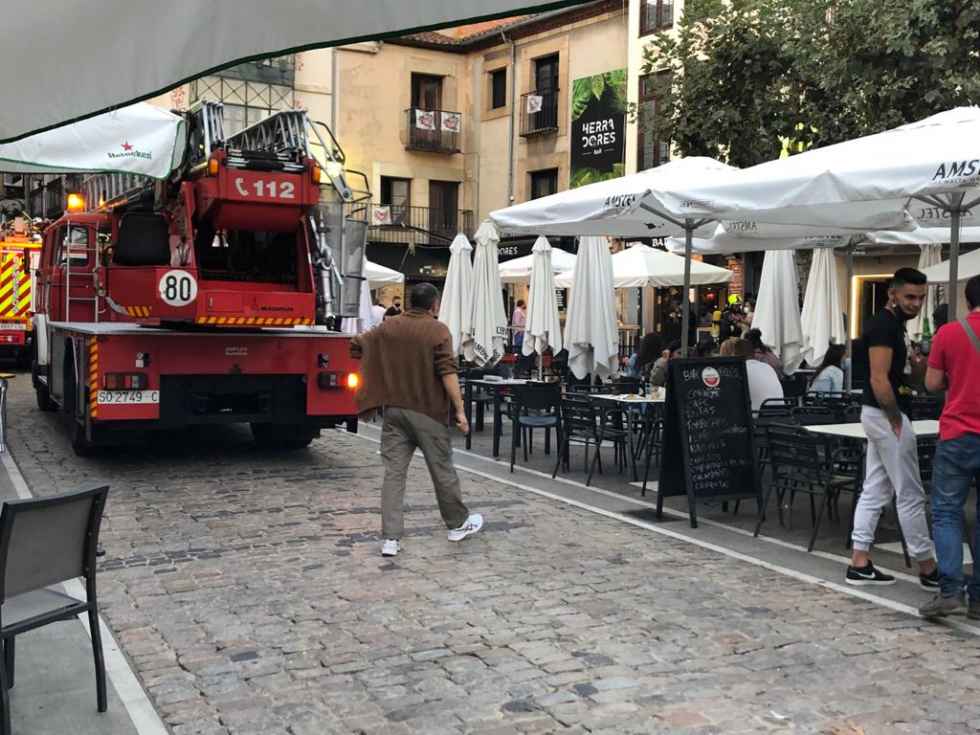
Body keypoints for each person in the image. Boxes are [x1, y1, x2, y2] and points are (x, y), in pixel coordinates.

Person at [350, 282, 483, 557]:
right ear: (434, 305)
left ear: (410, 302)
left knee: (393, 475)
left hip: (394, 412)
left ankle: (391, 539)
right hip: (428, 412)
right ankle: (456, 524)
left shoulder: (388, 327)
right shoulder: (438, 330)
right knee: (442, 471)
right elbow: (448, 372)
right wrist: (459, 410)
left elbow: (357, 344)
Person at [847, 268, 937, 587]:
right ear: (893, 294)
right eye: (910, 296)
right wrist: (896, 419)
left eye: (921, 297)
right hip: (886, 414)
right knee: (910, 492)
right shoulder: (885, 326)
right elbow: (878, 378)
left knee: (876, 488)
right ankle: (927, 567)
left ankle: (859, 561)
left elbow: (898, 376)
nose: (916, 303)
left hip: (879, 413)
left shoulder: (893, 326)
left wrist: (917, 365)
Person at [919, 275, 980, 619]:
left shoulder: (949, 333)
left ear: (968, 302)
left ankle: (950, 590)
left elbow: (931, 383)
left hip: (957, 434)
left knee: (946, 512)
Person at [720, 337, 783, 412]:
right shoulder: (767, 367)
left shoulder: (738, 371)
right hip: (781, 413)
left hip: (755, 416)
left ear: (731, 355)